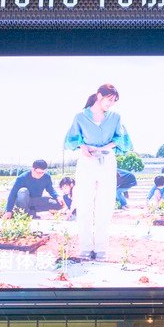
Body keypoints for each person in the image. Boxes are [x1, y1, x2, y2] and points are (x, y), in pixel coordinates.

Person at [65, 83, 132, 260]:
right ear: (99, 95)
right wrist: (83, 147)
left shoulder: (115, 117)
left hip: (107, 160)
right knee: (84, 202)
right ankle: (86, 247)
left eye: (114, 101)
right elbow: (72, 139)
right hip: (86, 161)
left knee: (106, 203)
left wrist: (107, 147)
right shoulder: (80, 117)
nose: (111, 104)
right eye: (109, 99)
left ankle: (101, 247)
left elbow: (122, 139)